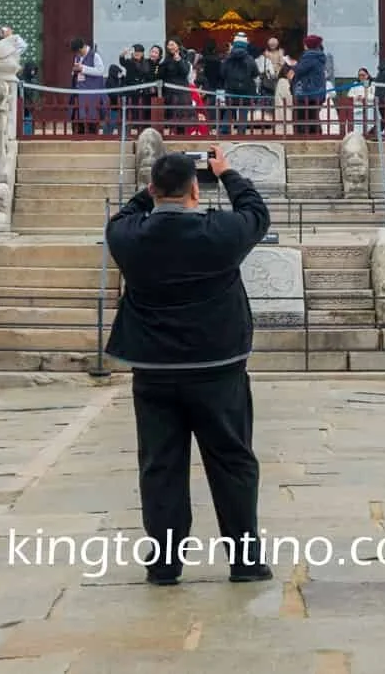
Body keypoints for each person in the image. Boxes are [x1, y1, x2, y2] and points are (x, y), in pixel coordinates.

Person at [105, 145, 274, 586]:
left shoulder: (127, 237)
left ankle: (164, 563)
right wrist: (229, 173)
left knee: (160, 466)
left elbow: (125, 214)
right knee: (232, 460)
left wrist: (150, 193)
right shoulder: (220, 233)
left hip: (154, 370)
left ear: (152, 188)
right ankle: (244, 559)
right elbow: (256, 212)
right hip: (218, 367)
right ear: (195, 191)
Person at [292, 35, 332, 134]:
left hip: (307, 91)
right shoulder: (319, 56)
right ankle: (316, 135)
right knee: (314, 115)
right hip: (317, 91)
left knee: (302, 116)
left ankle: (303, 135)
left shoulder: (309, 56)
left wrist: (293, 65)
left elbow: (300, 70)